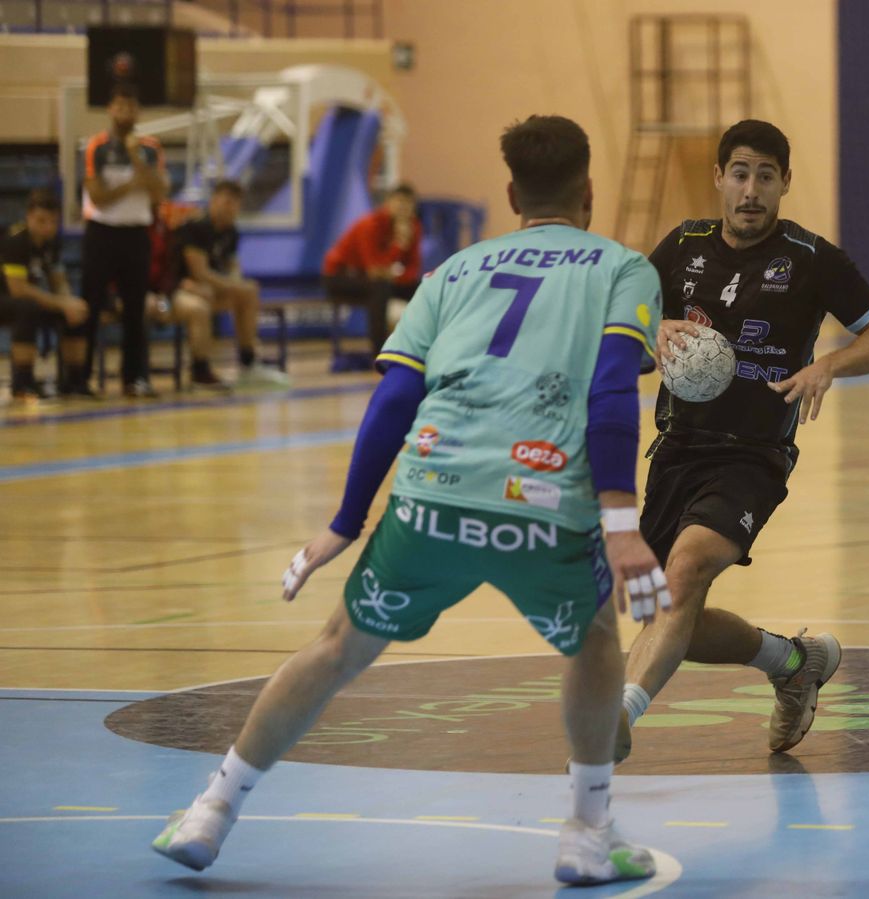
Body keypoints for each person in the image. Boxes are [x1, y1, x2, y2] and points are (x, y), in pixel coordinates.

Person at [151, 114, 669, 887]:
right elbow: (608, 394)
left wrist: (343, 522)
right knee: (595, 636)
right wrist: (622, 525)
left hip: (430, 495)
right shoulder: (625, 269)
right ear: (589, 191)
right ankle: (587, 834)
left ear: (510, 194)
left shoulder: (453, 271)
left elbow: (395, 396)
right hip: (542, 506)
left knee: (335, 648)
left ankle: (211, 810)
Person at [615, 120, 869, 762]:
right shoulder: (682, 246)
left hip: (752, 455)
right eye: (741, 174)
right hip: (676, 450)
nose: (752, 190)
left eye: (767, 177)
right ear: (720, 177)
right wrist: (651, 327)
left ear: (784, 184)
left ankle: (619, 718)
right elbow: (623, 326)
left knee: (685, 571)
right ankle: (794, 662)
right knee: (666, 613)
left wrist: (827, 365)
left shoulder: (811, 259)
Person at [81, 81, 167, 398]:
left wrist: (136, 159)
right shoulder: (97, 147)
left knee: (135, 310)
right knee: (91, 305)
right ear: (109, 110)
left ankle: (135, 378)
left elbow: (159, 192)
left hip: (136, 234)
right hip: (102, 233)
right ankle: (80, 378)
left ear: (138, 111)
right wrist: (133, 185)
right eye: (119, 106)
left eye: (130, 106)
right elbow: (98, 196)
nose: (125, 111)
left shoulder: (150, 148)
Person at [169, 180, 289, 388]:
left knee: (248, 293)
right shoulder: (196, 227)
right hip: (179, 287)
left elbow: (233, 268)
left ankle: (248, 362)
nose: (230, 207)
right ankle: (200, 369)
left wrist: (238, 285)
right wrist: (234, 285)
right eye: (226, 202)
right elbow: (200, 273)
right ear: (213, 201)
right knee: (204, 302)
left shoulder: (231, 231)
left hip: (208, 290)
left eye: (234, 203)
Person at [1, 190, 89, 401]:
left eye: (52, 222)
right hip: (6, 298)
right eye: (41, 221)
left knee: (76, 310)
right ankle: (22, 384)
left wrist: (69, 303)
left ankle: (74, 382)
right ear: (28, 217)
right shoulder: (15, 241)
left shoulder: (52, 244)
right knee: (26, 309)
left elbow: (58, 282)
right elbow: (18, 290)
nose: (47, 227)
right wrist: (60, 303)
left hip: (25, 299)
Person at [322, 184, 422, 359]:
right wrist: (398, 245)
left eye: (408, 204)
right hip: (339, 277)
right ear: (387, 203)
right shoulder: (370, 225)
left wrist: (398, 276)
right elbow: (374, 270)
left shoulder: (414, 227)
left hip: (382, 279)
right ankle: (380, 352)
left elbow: (412, 268)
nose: (403, 209)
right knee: (380, 289)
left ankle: (425, 346)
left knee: (423, 288)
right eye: (399, 203)